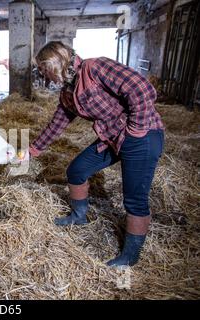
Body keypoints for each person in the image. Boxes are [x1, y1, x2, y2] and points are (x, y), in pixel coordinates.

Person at [21, 41, 165, 267]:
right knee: (76, 171)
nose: (45, 77)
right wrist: (32, 150)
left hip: (143, 135)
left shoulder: (95, 68)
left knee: (134, 199)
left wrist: (135, 129)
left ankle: (130, 256)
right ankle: (79, 216)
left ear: (57, 63)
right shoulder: (68, 93)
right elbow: (57, 124)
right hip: (112, 137)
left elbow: (141, 89)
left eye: (45, 70)